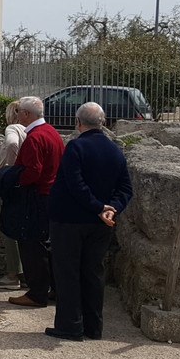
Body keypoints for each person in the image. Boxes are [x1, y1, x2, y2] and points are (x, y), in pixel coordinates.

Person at [46, 102, 133, 341]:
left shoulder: (76, 147)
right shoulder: (115, 150)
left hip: (69, 220)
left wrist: (98, 207)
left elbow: (75, 184)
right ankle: (93, 326)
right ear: (103, 122)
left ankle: (70, 325)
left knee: (68, 273)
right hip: (101, 224)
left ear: (78, 123)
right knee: (93, 273)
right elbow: (125, 187)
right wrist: (111, 209)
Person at [7, 96, 65, 308]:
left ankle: (36, 292)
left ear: (27, 114)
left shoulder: (35, 137)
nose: (17, 115)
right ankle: (54, 288)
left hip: (37, 196)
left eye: (19, 111)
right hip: (51, 195)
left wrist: (14, 180)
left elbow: (33, 172)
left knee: (31, 244)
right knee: (47, 245)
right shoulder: (52, 133)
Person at [0, 100, 27, 291]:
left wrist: (10, 170)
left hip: (15, 184)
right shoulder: (32, 129)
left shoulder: (13, 128)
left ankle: (13, 275)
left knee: (9, 229)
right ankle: (25, 273)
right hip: (29, 185)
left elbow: (12, 145)